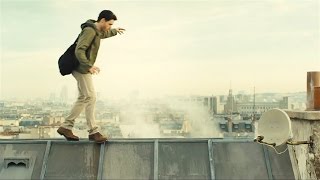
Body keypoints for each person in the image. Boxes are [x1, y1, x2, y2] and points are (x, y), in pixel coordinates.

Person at [57, 10, 125, 143]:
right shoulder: (90, 31)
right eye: (109, 24)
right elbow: (79, 50)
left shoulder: (96, 30)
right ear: (103, 20)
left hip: (82, 67)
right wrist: (88, 66)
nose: (109, 27)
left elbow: (102, 34)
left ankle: (66, 127)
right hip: (81, 68)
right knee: (91, 97)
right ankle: (93, 131)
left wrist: (115, 31)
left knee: (84, 97)